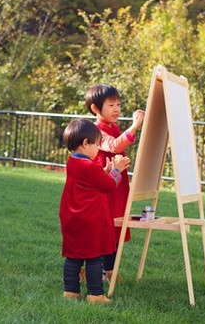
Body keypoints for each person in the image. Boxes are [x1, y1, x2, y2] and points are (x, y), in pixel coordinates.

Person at [59, 118, 129, 304]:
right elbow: (107, 186)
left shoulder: (73, 162)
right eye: (97, 144)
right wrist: (116, 170)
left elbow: (93, 182)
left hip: (73, 217)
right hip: (90, 219)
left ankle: (71, 291)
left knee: (74, 256)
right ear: (85, 143)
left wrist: (104, 172)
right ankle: (95, 294)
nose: (99, 149)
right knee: (94, 256)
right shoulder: (88, 166)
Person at [85, 83, 144, 283]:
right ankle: (91, 269)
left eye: (118, 104)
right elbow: (114, 145)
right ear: (95, 108)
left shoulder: (113, 126)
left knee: (117, 225)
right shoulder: (95, 130)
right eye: (111, 105)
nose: (117, 109)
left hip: (117, 186)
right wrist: (135, 126)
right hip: (104, 186)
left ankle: (108, 270)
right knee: (104, 226)